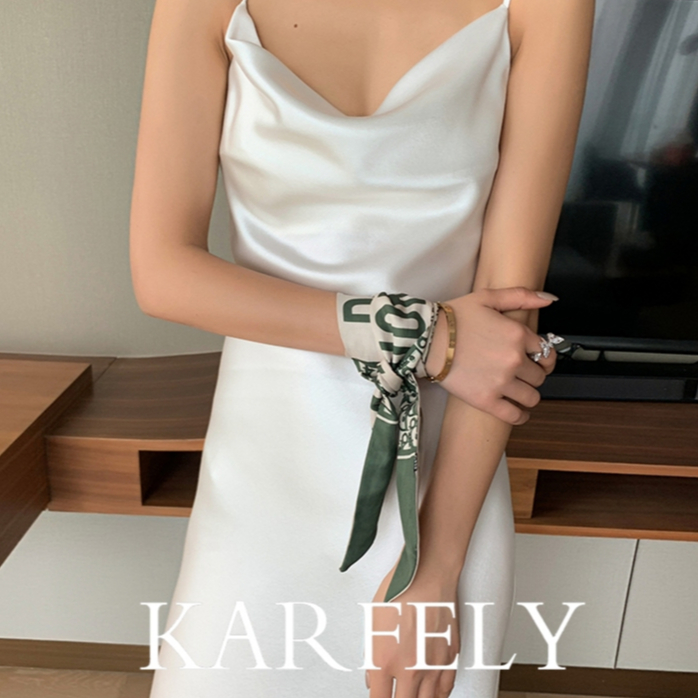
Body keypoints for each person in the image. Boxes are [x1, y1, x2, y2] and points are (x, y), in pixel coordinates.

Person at [129, 0, 594, 695]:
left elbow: (508, 320)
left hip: (441, 485)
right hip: (262, 471)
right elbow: (163, 274)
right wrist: (422, 335)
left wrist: (432, 569)